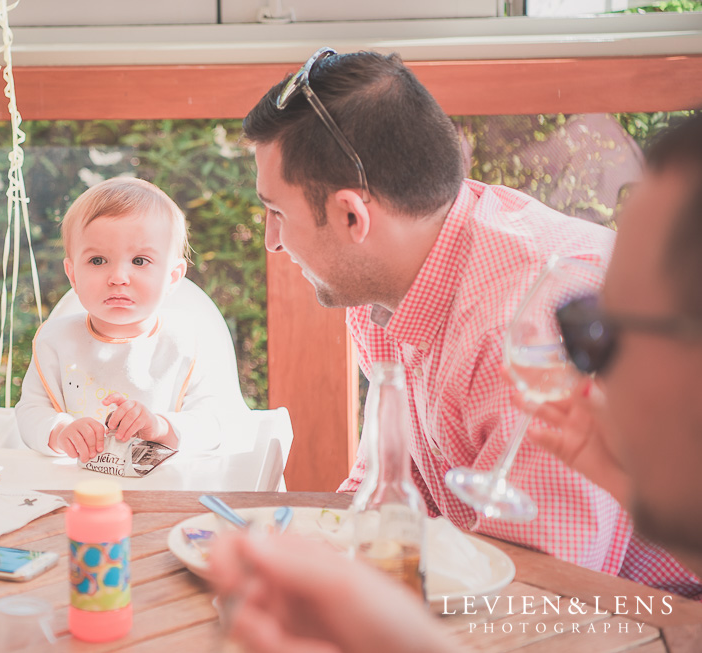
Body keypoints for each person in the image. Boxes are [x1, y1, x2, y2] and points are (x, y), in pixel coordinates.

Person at [211, 110, 702, 652]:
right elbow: (391, 487)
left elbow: (537, 610)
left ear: (353, 216)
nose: (270, 242)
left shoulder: (518, 322)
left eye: (601, 318)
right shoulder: (388, 278)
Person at [15, 177, 227, 460]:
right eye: (98, 260)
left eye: (139, 261)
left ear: (173, 277)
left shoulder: (186, 342)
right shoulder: (56, 341)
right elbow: (30, 411)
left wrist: (160, 427)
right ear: (73, 274)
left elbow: (212, 424)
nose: (118, 278)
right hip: (75, 488)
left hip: (164, 489)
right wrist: (60, 431)